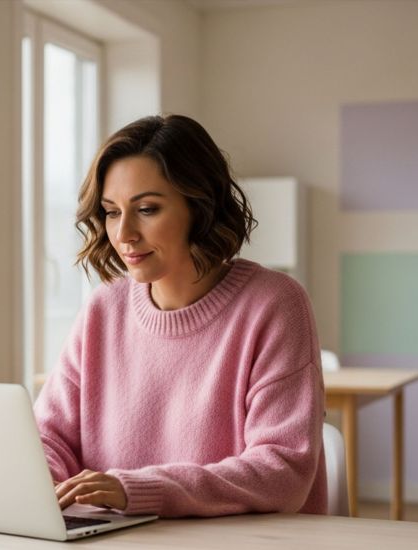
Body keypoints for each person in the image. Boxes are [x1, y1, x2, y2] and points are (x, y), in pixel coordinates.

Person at [33, 114, 327, 518]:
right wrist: (39, 485)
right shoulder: (104, 308)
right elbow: (49, 436)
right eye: (112, 212)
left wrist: (136, 489)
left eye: (147, 209)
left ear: (199, 206)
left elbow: (282, 471)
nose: (123, 235)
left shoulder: (274, 303)